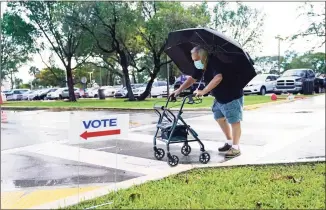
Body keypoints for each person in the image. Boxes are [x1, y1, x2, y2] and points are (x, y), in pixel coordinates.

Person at [171, 46, 244, 159]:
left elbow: (218, 77)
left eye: (196, 59)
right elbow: (192, 79)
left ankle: (236, 147)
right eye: (193, 60)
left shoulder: (215, 62)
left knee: (234, 121)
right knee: (219, 117)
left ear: (203, 57)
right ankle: (229, 142)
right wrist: (179, 90)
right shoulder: (201, 66)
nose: (195, 62)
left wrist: (204, 91)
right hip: (219, 97)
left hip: (231, 95)